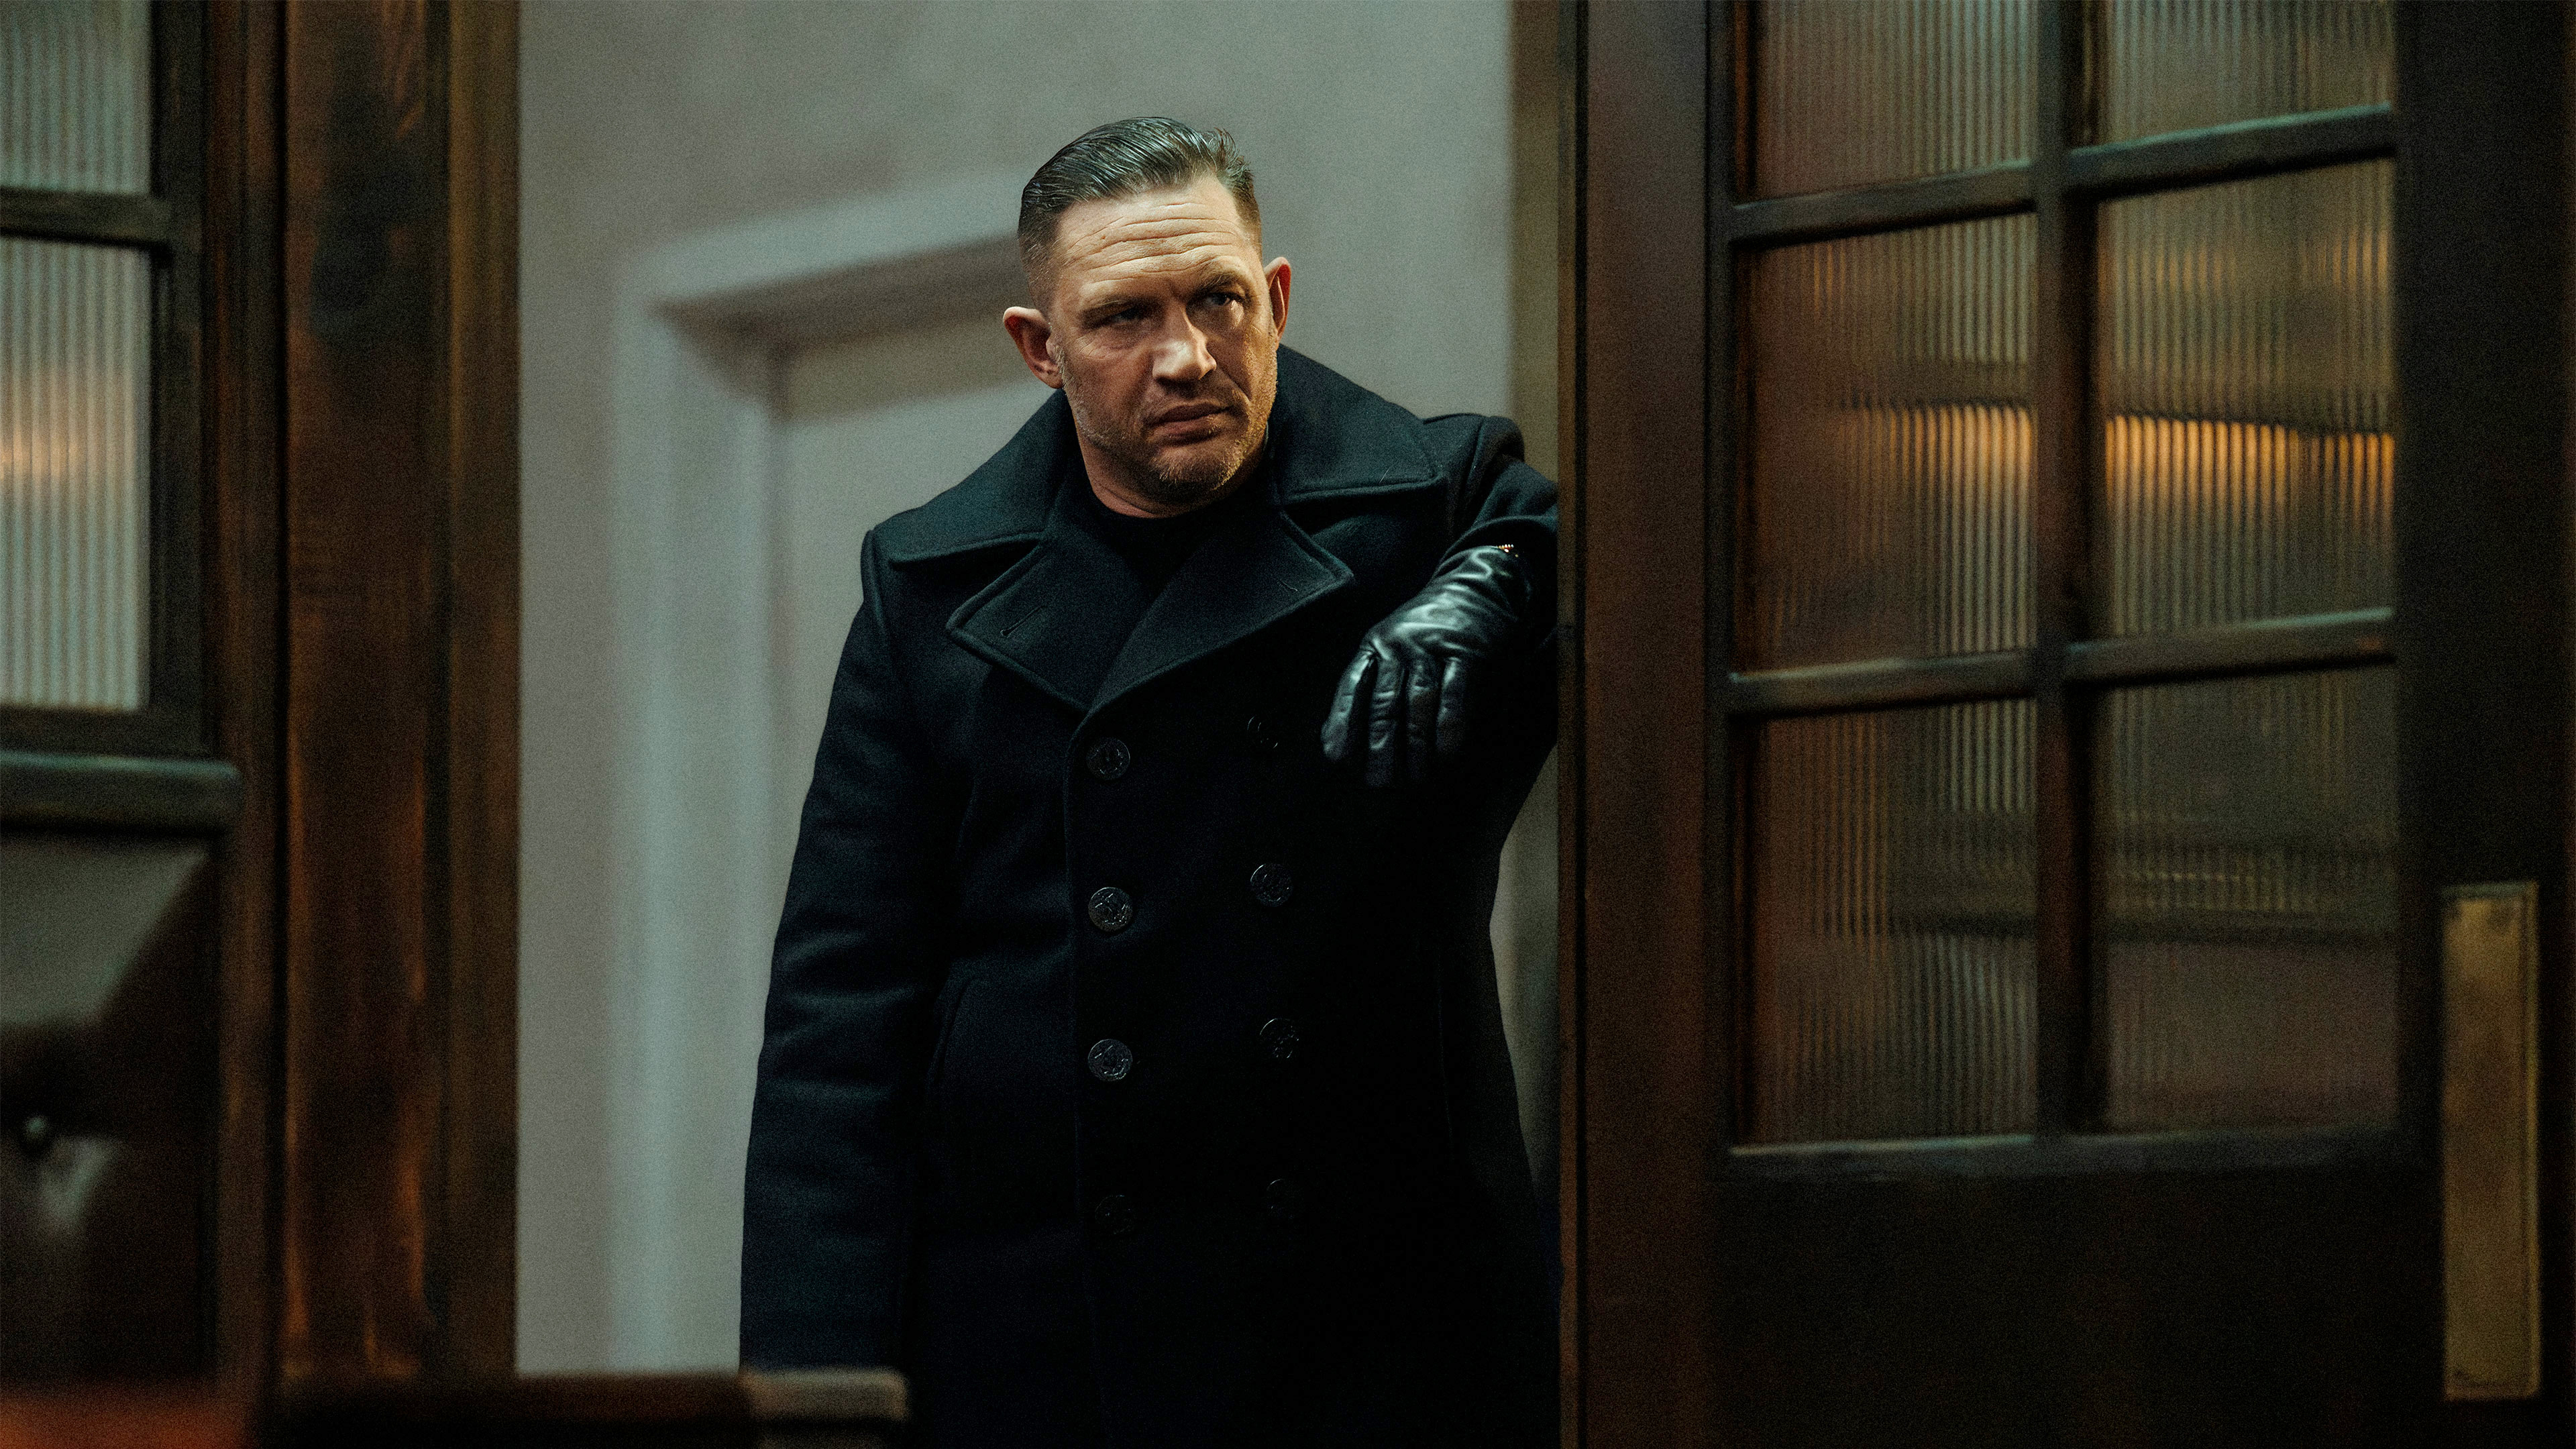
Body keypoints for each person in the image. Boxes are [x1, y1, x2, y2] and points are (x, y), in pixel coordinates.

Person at [741, 116, 1556, 1449]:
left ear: (1275, 299)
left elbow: (1626, 567)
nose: (1186, 356)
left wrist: (1501, 584)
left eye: (1217, 299)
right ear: (1040, 347)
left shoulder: (1433, 508)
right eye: (1124, 316)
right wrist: (810, 1410)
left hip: (1369, 1327)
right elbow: (841, 1027)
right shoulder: (931, 590)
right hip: (1042, 1332)